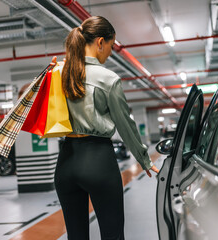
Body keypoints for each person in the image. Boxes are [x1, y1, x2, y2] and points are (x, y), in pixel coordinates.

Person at [51, 16, 159, 240]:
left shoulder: (59, 74)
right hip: (98, 161)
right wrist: (144, 160)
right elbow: (125, 124)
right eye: (111, 45)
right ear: (100, 42)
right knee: (112, 234)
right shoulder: (108, 79)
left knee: (76, 236)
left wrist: (52, 73)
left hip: (66, 163)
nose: (110, 52)